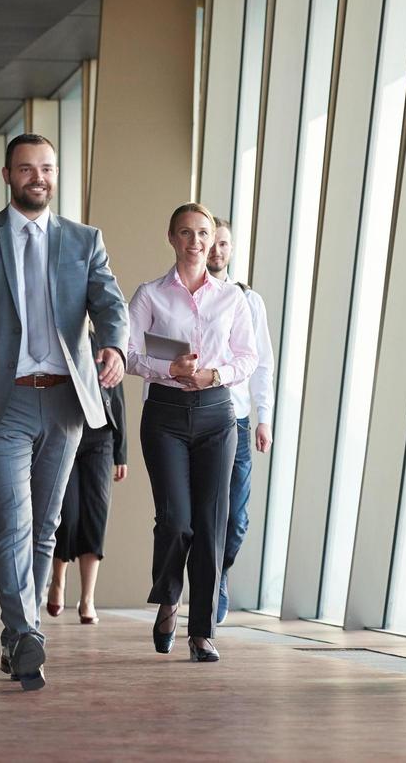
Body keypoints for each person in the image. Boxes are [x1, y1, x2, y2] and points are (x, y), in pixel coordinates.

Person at [0, 133, 128, 692]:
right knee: (13, 520)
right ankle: (23, 632)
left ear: (56, 173)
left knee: (45, 526)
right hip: (1, 401)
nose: (37, 177)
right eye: (26, 169)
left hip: (66, 400)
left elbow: (109, 304)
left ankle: (22, 635)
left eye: (46, 167)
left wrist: (113, 344)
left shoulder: (83, 240)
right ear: (7, 175)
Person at [127, 203, 256, 663]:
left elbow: (248, 357)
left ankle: (202, 632)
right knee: (176, 521)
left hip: (217, 415)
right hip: (164, 413)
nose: (196, 242)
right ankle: (168, 599)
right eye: (186, 233)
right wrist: (168, 368)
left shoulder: (231, 298)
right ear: (172, 237)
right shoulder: (150, 295)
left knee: (211, 524)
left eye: (203, 233)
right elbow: (125, 353)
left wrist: (215, 375)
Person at [207, 218, 274, 623]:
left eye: (224, 244)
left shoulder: (249, 300)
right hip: (194, 416)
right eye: (211, 242)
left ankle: (220, 573)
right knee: (196, 516)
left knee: (236, 517)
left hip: (239, 419)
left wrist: (263, 417)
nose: (217, 250)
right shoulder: (181, 297)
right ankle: (201, 588)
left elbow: (263, 364)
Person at [47, 360, 127, 625]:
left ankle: (87, 598)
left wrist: (121, 452)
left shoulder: (104, 340)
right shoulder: (62, 335)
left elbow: (117, 395)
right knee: (67, 515)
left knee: (95, 515)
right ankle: (58, 582)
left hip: (101, 437)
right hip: (65, 430)